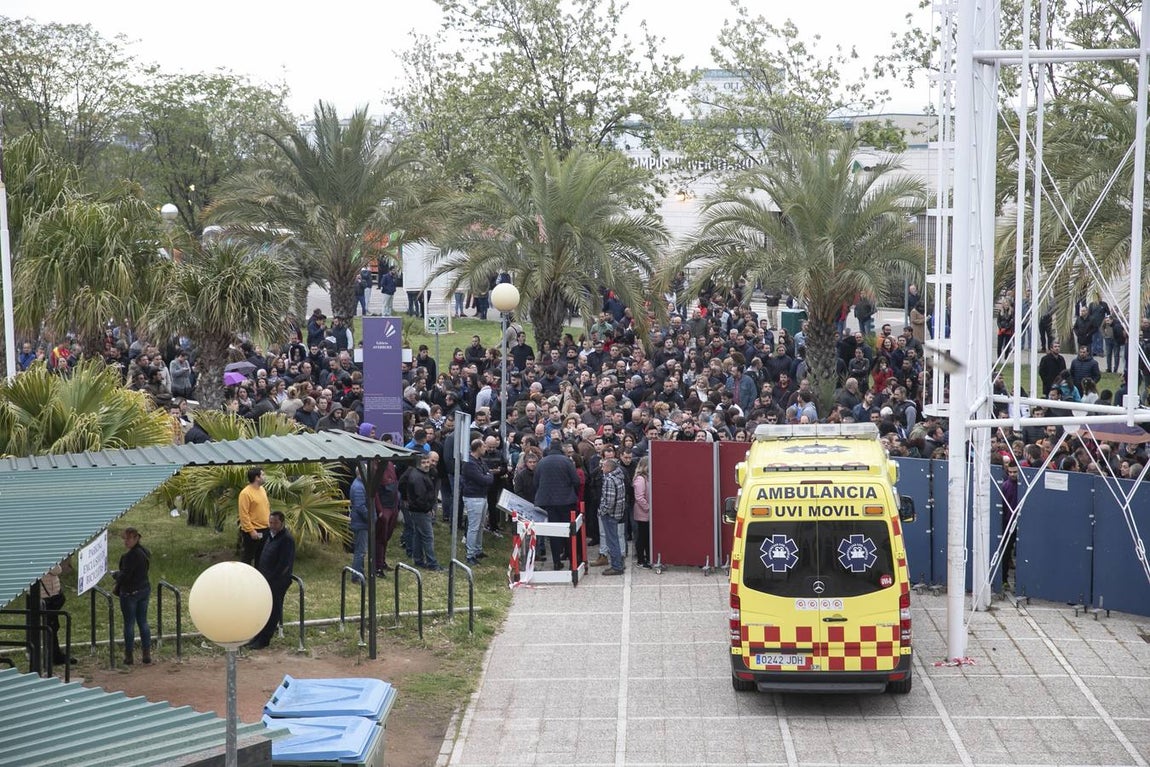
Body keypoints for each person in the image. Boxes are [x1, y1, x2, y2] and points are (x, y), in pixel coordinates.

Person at [249, 511, 296, 650]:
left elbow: (284, 564)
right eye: (270, 522)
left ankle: (264, 639)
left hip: (276, 582)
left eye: (275, 523)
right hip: (265, 578)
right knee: (263, 609)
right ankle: (258, 636)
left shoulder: (286, 539)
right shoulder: (270, 536)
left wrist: (273, 580)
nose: (272, 525)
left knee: (273, 610)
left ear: (282, 523)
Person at [533, 444, 580, 569]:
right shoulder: (567, 461)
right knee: (569, 531)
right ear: (561, 450)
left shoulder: (541, 463)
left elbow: (536, 482)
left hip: (548, 503)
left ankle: (556, 561)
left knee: (553, 533)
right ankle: (572, 562)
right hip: (566, 502)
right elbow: (576, 480)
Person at [114, 527, 151, 665]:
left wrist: (116, 575)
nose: (126, 541)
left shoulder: (129, 557)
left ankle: (129, 655)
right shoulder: (144, 552)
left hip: (130, 593)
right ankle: (146, 653)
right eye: (124, 538)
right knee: (143, 621)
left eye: (128, 538)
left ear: (136, 538)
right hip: (144, 589)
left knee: (129, 624)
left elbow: (125, 576)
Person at [400, 453, 441, 570]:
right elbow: (421, 497)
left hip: (418, 509)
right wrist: (428, 509)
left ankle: (418, 559)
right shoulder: (417, 476)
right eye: (423, 463)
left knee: (418, 535)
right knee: (428, 537)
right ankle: (432, 563)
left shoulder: (423, 474)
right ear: (418, 464)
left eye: (428, 462)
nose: (427, 465)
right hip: (420, 510)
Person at [460, 438, 494, 565]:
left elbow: (489, 474)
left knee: (480, 525)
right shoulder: (469, 463)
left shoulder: (480, 461)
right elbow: (485, 479)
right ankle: (470, 554)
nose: (486, 448)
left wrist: (488, 475)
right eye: (484, 446)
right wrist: (488, 475)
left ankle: (478, 550)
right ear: (478, 448)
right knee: (473, 527)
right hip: (473, 497)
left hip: (482, 496)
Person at [39, 559, 74, 665]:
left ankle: (55, 655)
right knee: (51, 627)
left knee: (53, 626)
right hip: (48, 597)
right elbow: (57, 570)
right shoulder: (44, 557)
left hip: (49, 594)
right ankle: (54, 656)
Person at [597, 457, 627, 576]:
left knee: (612, 541)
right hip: (617, 513)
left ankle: (616, 566)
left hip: (610, 515)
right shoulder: (619, 477)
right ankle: (619, 562)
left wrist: (602, 511)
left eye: (603, 466)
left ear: (609, 468)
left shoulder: (609, 480)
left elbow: (609, 501)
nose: (602, 468)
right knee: (615, 540)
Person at [238, 467, 271, 566]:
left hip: (265, 529)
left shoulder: (262, 490)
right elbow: (244, 515)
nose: (265, 477)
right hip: (252, 532)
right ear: (257, 477)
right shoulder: (245, 493)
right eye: (263, 475)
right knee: (248, 557)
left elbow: (266, 507)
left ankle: (259, 578)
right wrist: (251, 531)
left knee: (261, 558)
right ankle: (244, 578)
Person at [349, 475, 370, 583]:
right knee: (360, 551)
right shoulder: (358, 487)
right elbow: (360, 506)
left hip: (360, 522)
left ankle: (360, 572)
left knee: (360, 550)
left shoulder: (360, 484)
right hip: (361, 523)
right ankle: (356, 576)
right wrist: (370, 518)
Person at [632, 456, 652, 568]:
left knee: (646, 537)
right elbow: (639, 497)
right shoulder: (640, 479)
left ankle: (648, 558)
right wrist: (648, 508)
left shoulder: (647, 477)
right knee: (642, 538)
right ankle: (641, 560)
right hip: (643, 514)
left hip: (646, 513)